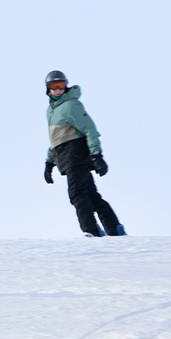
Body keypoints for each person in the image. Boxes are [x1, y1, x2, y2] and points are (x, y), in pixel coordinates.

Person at [43, 70, 125, 237]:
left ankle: (91, 231)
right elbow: (56, 138)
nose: (58, 90)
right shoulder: (51, 111)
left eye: (61, 86)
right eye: (54, 86)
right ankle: (115, 229)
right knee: (91, 196)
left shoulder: (71, 105)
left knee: (77, 195)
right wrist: (49, 162)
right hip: (66, 157)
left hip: (76, 155)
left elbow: (90, 129)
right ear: (48, 89)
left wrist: (96, 155)